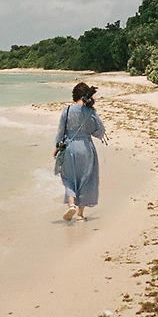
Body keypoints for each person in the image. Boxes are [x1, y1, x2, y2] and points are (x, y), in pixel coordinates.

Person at [54, 81, 107, 221]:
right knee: (86, 178)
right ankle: (80, 214)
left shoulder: (67, 110)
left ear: (75, 95)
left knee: (68, 177)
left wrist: (56, 148)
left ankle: (71, 204)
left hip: (69, 147)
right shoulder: (91, 112)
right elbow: (100, 131)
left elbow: (61, 132)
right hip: (86, 147)